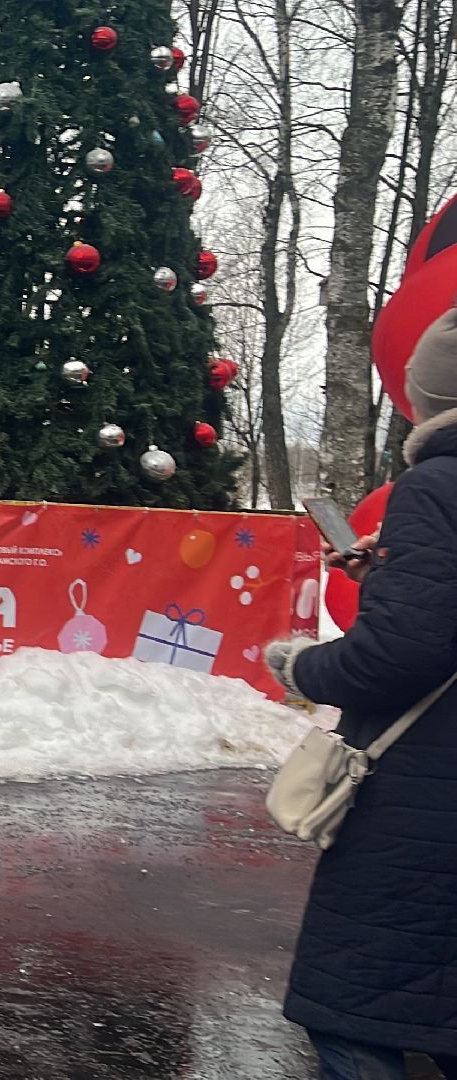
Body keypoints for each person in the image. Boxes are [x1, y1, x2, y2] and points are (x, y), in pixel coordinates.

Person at [262, 306, 457, 1080]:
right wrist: (397, 579)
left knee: (354, 1016)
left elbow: (402, 653)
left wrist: (302, 669)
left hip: (429, 801)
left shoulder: (437, 488)